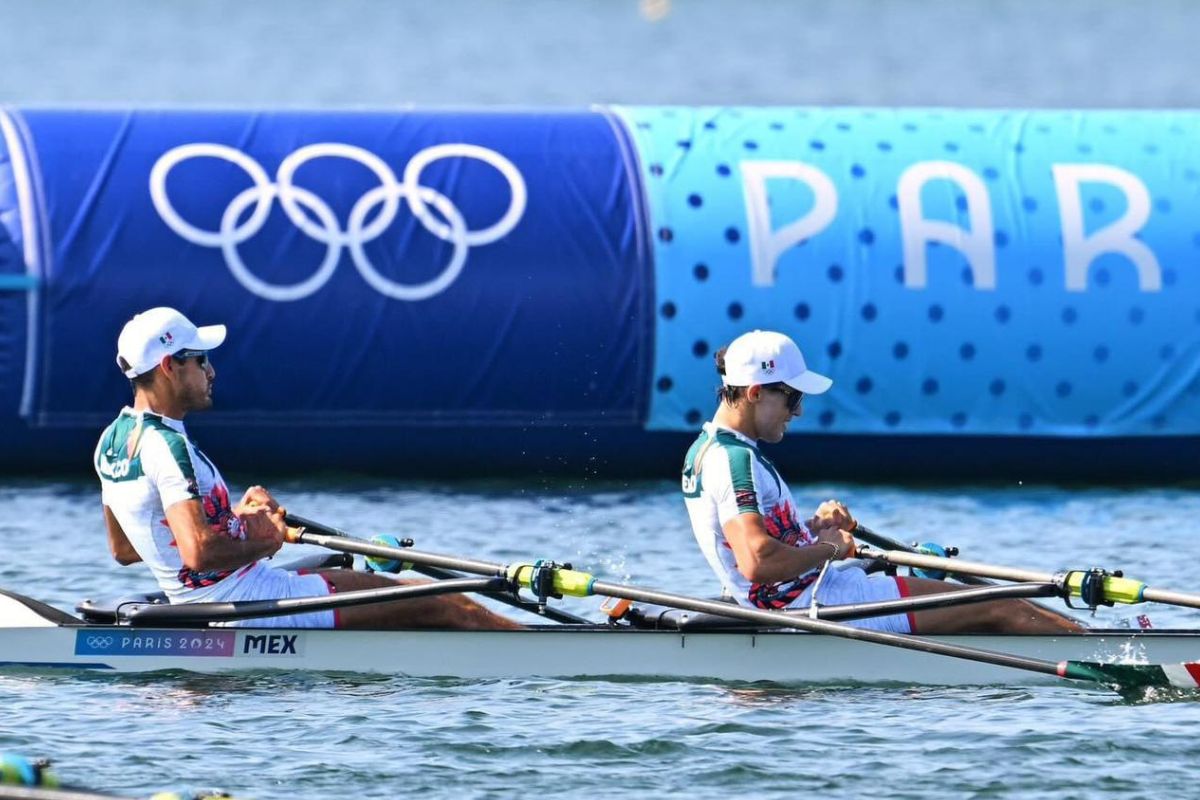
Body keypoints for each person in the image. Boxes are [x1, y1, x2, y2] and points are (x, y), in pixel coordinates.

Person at [94, 306, 519, 630]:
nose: (211, 370)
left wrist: (231, 518)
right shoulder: (167, 446)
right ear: (170, 366)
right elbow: (198, 553)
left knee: (346, 567)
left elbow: (127, 548)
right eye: (201, 360)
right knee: (447, 601)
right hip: (244, 602)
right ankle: (551, 663)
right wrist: (268, 539)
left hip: (211, 596)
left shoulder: (111, 441)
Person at [681, 329, 1080, 634]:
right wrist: (827, 549)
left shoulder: (705, 448)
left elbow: (748, 545)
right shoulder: (734, 461)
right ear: (754, 393)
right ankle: (1107, 651)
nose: (797, 412)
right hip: (816, 604)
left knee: (984, 599)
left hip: (802, 595)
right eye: (792, 398)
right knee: (1002, 605)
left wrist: (808, 530)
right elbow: (756, 561)